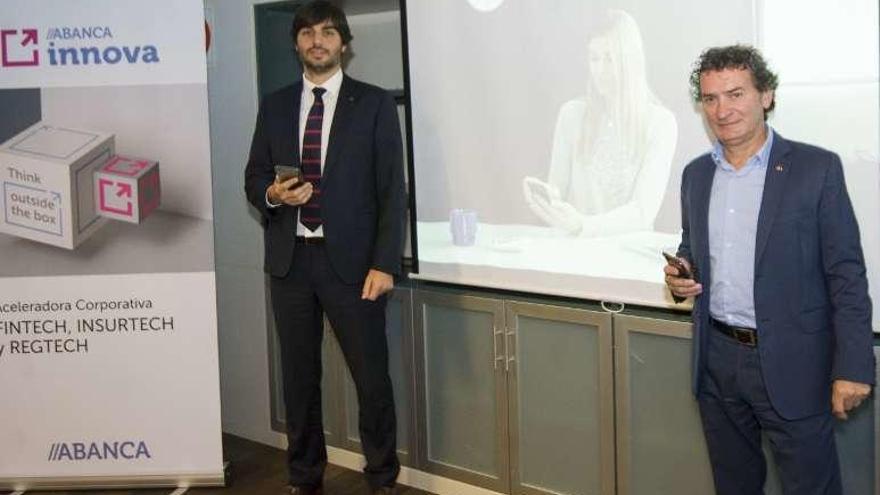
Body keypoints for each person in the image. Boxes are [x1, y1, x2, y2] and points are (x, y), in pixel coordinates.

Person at [665, 45, 875, 495]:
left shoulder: (816, 169)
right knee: (734, 485)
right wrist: (681, 275)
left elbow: (846, 274)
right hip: (717, 360)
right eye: (710, 98)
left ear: (767, 95)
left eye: (736, 93)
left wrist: (854, 364)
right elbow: (693, 247)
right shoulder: (696, 175)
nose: (723, 110)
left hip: (794, 362)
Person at [244, 1, 405, 494]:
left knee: (371, 380)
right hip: (290, 264)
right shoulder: (274, 104)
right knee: (299, 382)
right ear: (296, 43)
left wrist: (384, 263)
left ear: (344, 44)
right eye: (308, 33)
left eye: (328, 33)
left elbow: (390, 191)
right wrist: (273, 194)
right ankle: (304, 478)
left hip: (354, 268)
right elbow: (253, 177)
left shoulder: (374, 104)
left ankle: (381, 479)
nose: (318, 41)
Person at [523, 10, 677, 237]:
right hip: (575, 254)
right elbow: (557, 191)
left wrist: (583, 225)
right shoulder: (571, 114)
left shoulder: (661, 123)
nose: (600, 70)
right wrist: (545, 200)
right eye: (594, 58)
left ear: (630, 61)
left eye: (610, 58)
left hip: (630, 258)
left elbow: (643, 212)